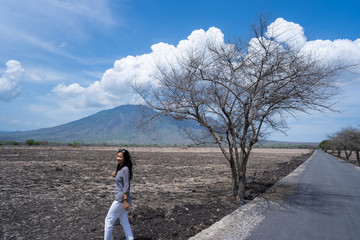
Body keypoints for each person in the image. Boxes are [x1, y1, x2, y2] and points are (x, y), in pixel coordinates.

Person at [104, 148, 134, 240]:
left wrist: (125, 201)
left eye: (120, 156)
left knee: (108, 221)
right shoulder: (120, 167)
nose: (118, 158)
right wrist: (115, 174)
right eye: (117, 156)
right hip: (120, 199)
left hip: (120, 199)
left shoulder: (125, 169)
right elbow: (119, 177)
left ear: (125, 158)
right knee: (124, 221)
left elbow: (126, 186)